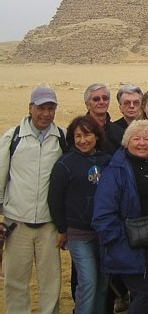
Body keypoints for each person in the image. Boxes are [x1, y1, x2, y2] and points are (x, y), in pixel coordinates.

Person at [92, 120, 148, 314]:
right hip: (129, 244)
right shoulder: (116, 170)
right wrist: (119, 241)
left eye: (147, 139)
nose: (142, 143)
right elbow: (103, 214)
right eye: (136, 138)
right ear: (127, 142)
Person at [0, 86, 64, 314]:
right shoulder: (13, 137)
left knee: (51, 283)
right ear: (30, 108)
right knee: (15, 282)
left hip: (49, 224)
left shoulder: (62, 138)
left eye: (50, 108)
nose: (45, 113)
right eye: (41, 108)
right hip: (16, 222)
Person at [48, 115, 111, 314]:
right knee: (88, 282)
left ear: (96, 136)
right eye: (78, 136)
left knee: (102, 285)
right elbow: (55, 198)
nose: (82, 140)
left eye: (87, 135)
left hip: (104, 233)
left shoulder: (107, 161)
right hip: (78, 233)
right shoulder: (65, 164)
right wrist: (61, 228)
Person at [84, 83, 124, 155]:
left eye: (105, 98)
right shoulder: (79, 131)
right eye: (96, 99)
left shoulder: (118, 132)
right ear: (87, 105)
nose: (102, 102)